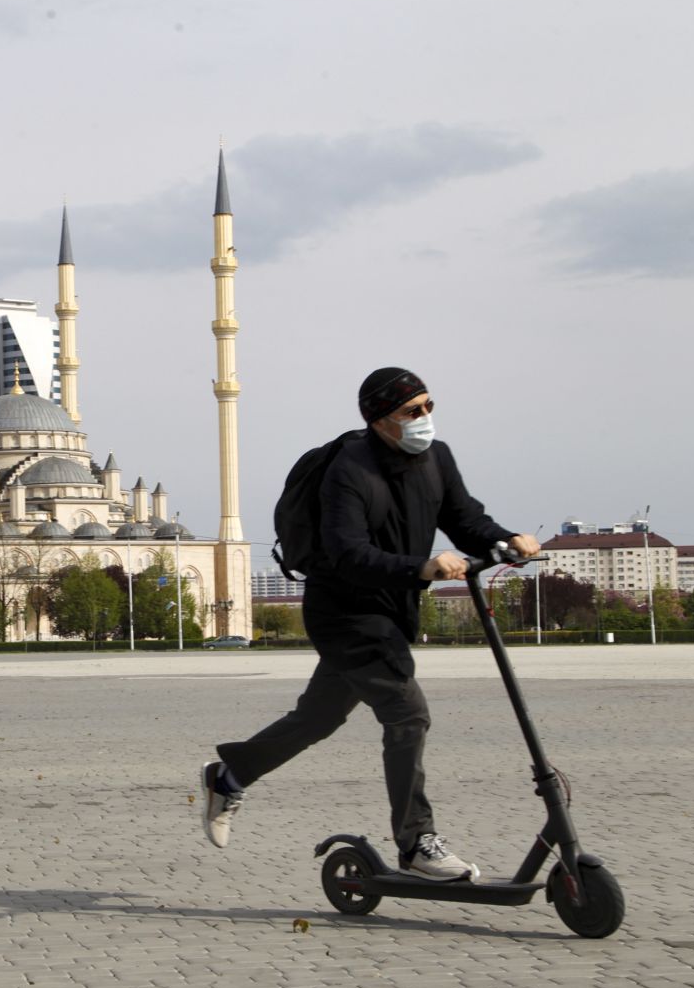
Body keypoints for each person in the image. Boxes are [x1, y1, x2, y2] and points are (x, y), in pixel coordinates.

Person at [201, 367, 539, 880]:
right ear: (380, 420)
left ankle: (230, 775)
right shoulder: (350, 470)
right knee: (408, 713)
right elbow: (347, 553)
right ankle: (415, 842)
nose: (424, 419)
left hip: (391, 611)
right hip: (345, 613)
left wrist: (508, 538)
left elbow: (464, 516)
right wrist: (421, 568)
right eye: (412, 412)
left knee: (318, 719)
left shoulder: (436, 457)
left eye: (429, 406)